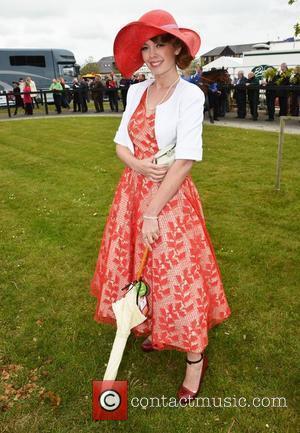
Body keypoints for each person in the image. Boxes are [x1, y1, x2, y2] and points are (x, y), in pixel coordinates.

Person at [90, 9, 231, 404]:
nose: (151, 54)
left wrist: (152, 210)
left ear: (177, 48)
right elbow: (121, 142)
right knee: (140, 265)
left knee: (178, 272)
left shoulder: (191, 94)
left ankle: (194, 360)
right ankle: (155, 327)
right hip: (131, 194)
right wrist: (135, 163)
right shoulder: (136, 90)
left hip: (170, 198)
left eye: (160, 45)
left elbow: (186, 159)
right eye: (146, 47)